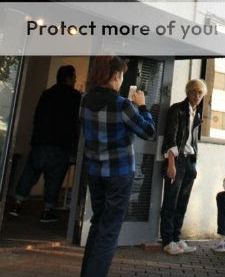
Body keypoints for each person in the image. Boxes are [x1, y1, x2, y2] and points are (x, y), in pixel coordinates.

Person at [80, 56, 155, 277]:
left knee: (98, 223)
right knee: (110, 230)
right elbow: (148, 132)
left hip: (95, 172)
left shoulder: (85, 100)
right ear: (115, 76)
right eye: (121, 75)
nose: (121, 80)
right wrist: (142, 106)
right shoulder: (123, 104)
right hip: (119, 174)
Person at [10, 64, 81, 223]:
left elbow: (37, 116)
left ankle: (17, 204)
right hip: (60, 144)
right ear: (68, 78)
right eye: (74, 78)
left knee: (29, 174)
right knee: (54, 179)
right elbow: (76, 122)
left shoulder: (47, 94)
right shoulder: (75, 97)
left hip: (40, 141)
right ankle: (47, 211)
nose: (75, 80)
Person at [160, 78, 206, 255]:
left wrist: (195, 161)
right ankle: (167, 241)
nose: (197, 96)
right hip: (177, 161)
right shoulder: (177, 109)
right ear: (188, 92)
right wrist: (171, 164)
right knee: (171, 201)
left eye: (200, 93)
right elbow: (170, 137)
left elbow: (192, 140)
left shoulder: (197, 114)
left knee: (182, 203)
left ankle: (177, 238)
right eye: (194, 92)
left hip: (189, 162)